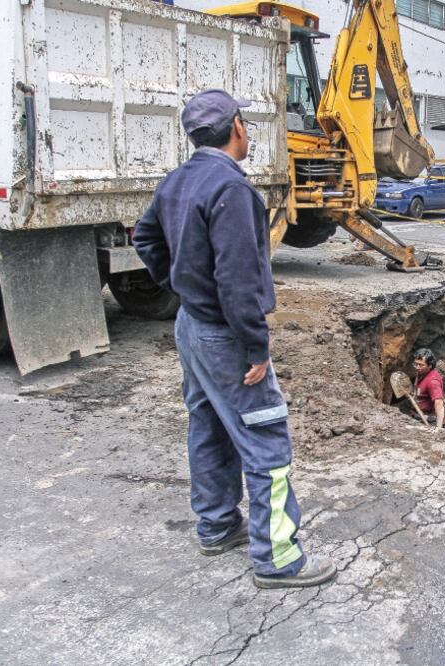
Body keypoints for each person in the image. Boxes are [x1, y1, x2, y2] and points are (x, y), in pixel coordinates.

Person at [133, 89, 336, 589]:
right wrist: (255, 347)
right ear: (237, 127)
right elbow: (239, 280)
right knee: (266, 439)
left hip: (191, 327)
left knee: (209, 426)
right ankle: (278, 559)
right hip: (223, 335)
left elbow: (145, 239)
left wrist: (182, 287)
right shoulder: (233, 190)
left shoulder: (178, 181)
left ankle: (218, 525)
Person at [412, 348, 445, 427]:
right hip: (417, 415)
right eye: (416, 364)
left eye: (421, 365)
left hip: (428, 420)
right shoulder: (421, 373)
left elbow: (439, 402)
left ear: (430, 365)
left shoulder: (432, 381)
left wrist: (438, 427)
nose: (417, 367)